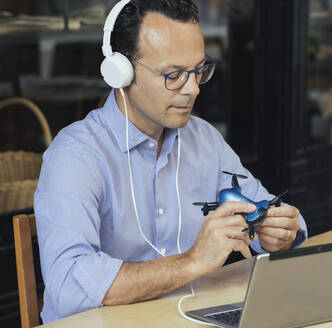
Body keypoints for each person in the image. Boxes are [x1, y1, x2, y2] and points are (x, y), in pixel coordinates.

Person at [34, 0, 307, 323]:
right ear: (120, 72)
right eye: (174, 75)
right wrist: (193, 261)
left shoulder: (203, 139)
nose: (192, 89)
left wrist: (280, 233)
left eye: (199, 70)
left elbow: (270, 212)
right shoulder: (75, 155)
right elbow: (68, 284)